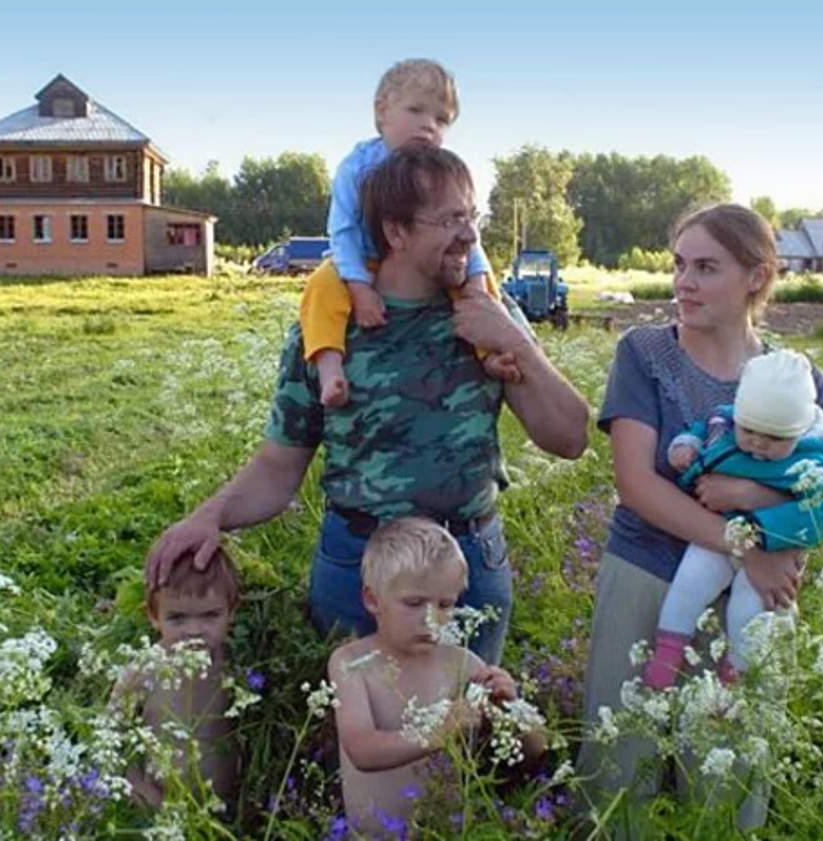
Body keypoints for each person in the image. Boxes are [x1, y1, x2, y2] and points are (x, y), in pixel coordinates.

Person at [143, 143, 590, 667]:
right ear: (395, 231)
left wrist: (517, 343)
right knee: (355, 735)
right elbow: (278, 466)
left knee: (468, 729)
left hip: (466, 564)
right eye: (449, 219)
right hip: (356, 567)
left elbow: (570, 438)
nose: (470, 235)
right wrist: (209, 516)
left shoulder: (486, 310)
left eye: (472, 216)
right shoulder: (329, 327)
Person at [574, 203, 823, 835]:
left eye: (706, 267)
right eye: (679, 264)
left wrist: (749, 498)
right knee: (623, 772)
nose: (683, 282)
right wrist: (747, 549)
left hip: (756, 606)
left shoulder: (800, 380)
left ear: (757, 276)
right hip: (645, 581)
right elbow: (636, 485)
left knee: (728, 785)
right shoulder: (644, 352)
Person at [297, 58, 517, 408]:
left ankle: (489, 354)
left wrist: (474, 281)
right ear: (382, 111)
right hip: (366, 259)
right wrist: (359, 288)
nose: (428, 126)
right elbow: (342, 232)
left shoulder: (446, 173)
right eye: (416, 110)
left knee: (484, 287)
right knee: (321, 286)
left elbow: (465, 231)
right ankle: (330, 370)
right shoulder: (357, 167)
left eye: (441, 119)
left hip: (434, 262)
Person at [643, 349, 823, 690]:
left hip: (772, 549)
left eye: (774, 438)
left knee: (750, 609)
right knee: (689, 582)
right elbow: (706, 428)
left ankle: (735, 678)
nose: (757, 443)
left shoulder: (814, 457)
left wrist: (760, 531)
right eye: (749, 430)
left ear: (799, 431)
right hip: (719, 531)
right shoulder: (727, 422)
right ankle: (668, 653)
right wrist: (685, 446)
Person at [328, 517, 547, 834]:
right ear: (373, 598)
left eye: (445, 604)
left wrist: (511, 707)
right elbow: (362, 750)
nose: (431, 619)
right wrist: (438, 731)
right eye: (414, 603)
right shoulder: (353, 663)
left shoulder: (462, 663)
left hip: (448, 832)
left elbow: (535, 750)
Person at [110, 546, 241, 811]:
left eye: (210, 616)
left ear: (232, 611)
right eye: (177, 618)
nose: (194, 630)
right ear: (153, 616)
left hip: (223, 807)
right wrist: (138, 789)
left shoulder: (234, 664)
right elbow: (113, 735)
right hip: (157, 805)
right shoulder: (144, 670)